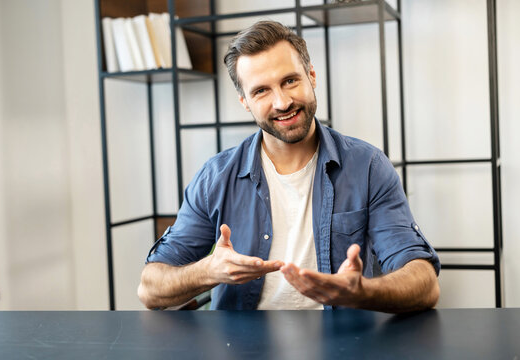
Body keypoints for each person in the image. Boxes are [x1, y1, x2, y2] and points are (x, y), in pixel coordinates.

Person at [138, 20, 440, 312]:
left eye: (290, 81)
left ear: (311, 76)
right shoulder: (216, 177)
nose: (282, 102)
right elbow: (150, 289)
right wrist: (208, 271)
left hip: (346, 345)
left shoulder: (368, 167)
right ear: (245, 102)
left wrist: (362, 292)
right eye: (261, 91)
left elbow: (425, 284)